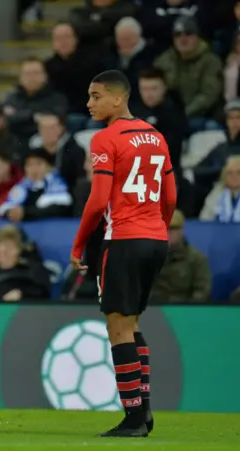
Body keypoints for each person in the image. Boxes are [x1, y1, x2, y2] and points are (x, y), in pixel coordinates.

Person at [70, 70, 177, 438]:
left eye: (96, 96)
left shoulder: (105, 139)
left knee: (118, 327)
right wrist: (158, 228)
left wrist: (78, 243)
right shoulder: (158, 138)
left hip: (124, 240)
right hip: (156, 239)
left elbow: (98, 201)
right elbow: (171, 196)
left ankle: (133, 418)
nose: (89, 103)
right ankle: (144, 413)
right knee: (132, 325)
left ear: (118, 99)